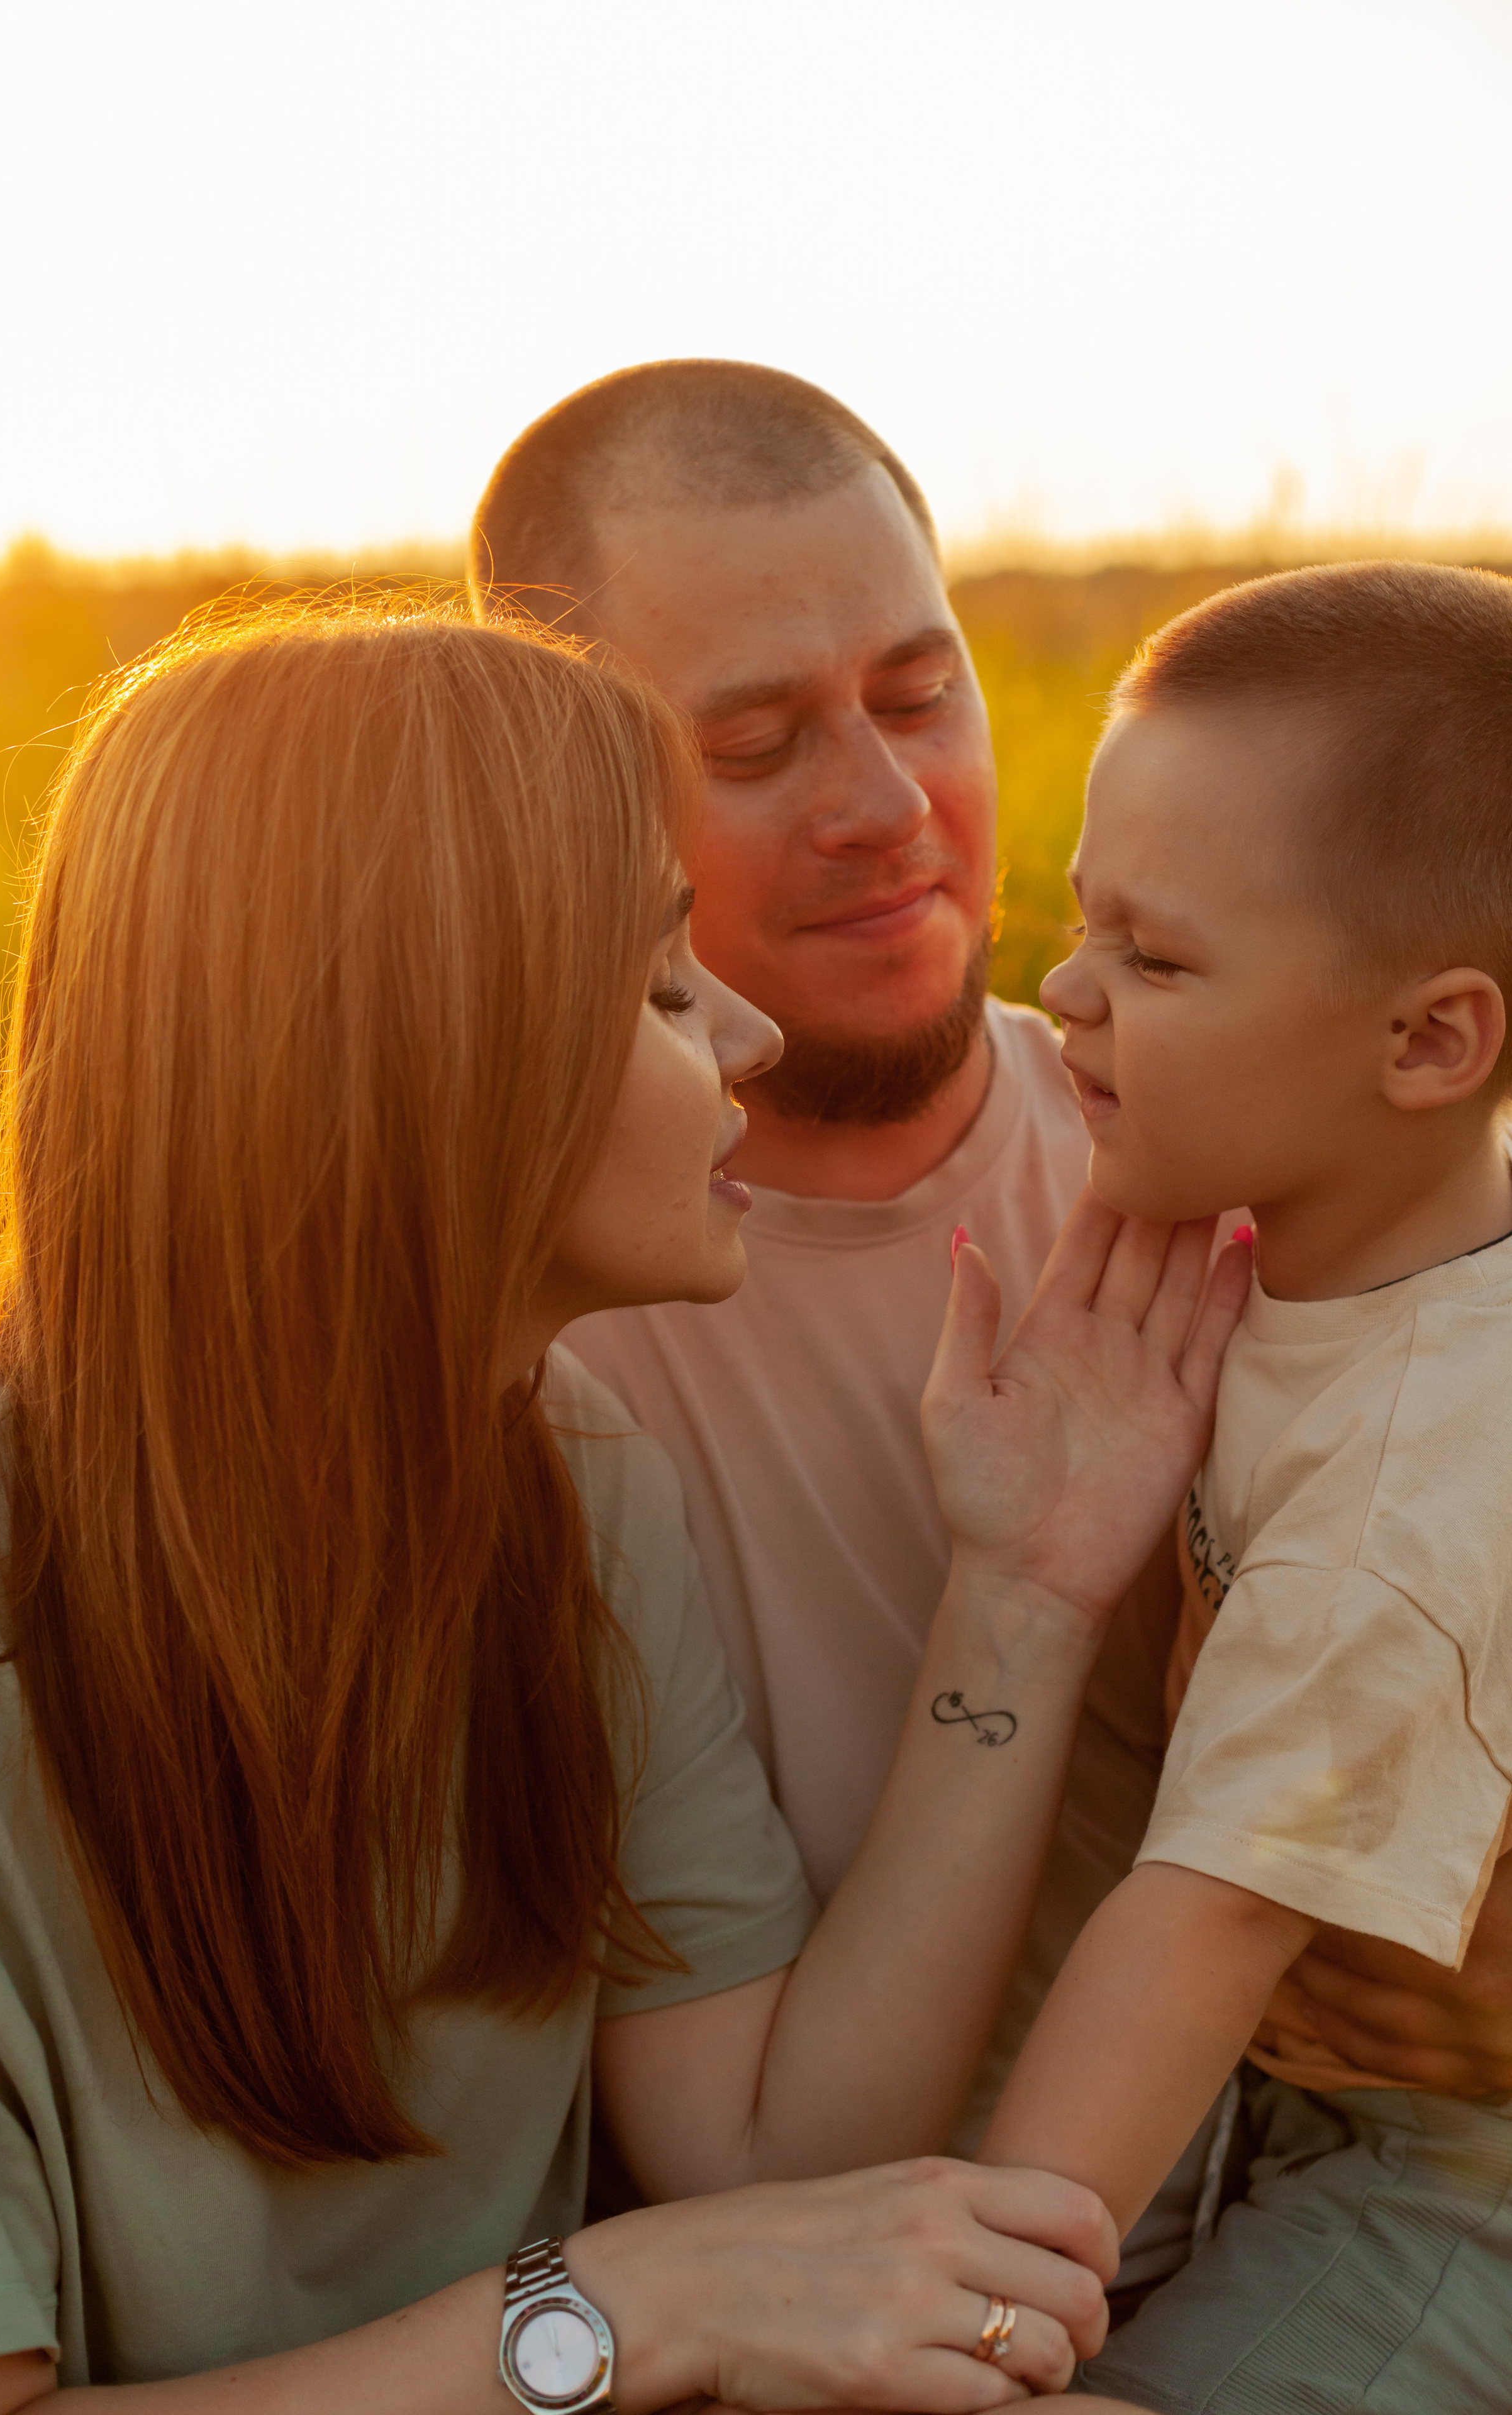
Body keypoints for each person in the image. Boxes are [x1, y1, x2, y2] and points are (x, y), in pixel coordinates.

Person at [0, 596, 1243, 2409]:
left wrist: (1032, 1581)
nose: (750, 1042)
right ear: (426, 1051)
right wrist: (618, 2311)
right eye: (662, 985)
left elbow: (768, 2153)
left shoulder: (569, 1475)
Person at [467, 360, 1512, 2294]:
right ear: (579, 791)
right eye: (759, 741)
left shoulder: (1286, 1146)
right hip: (866, 2296)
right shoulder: (527, 1334)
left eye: (919, 692)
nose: (885, 806)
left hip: (1321, 2223)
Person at [981, 561, 1512, 2410]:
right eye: (1082, 923)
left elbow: (1210, 1922)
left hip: (1456, 2171)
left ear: (1430, 1043)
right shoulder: (1293, 1257)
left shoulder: (1424, 1473)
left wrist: (955, 2321)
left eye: (1160, 960)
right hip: (1280, 2101)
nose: (1063, 992)